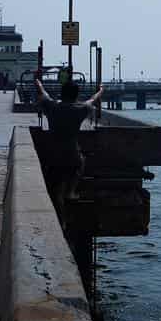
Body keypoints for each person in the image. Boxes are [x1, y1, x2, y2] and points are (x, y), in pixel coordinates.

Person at [34, 73, 104, 222]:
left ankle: (61, 220)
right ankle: (71, 191)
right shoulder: (80, 109)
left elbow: (43, 94)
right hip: (72, 156)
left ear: (61, 93)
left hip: (53, 156)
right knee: (80, 163)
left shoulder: (52, 107)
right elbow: (92, 100)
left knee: (55, 191)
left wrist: (38, 82)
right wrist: (101, 90)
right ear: (76, 95)